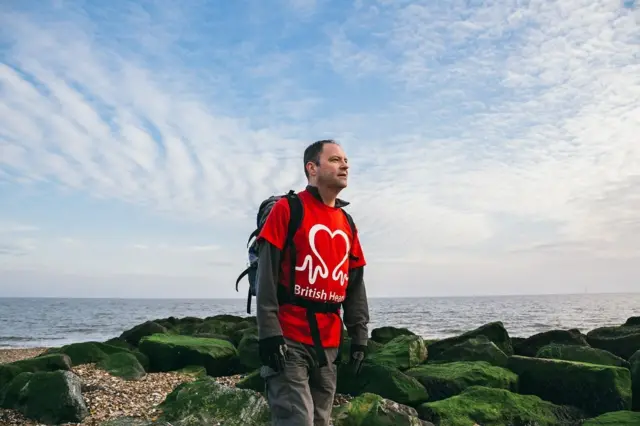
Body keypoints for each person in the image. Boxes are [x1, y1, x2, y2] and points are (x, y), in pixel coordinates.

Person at [255, 139, 370, 426]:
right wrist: (269, 332)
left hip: (329, 344)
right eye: (335, 159)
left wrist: (359, 336)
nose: (345, 164)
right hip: (289, 337)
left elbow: (354, 284)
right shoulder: (288, 209)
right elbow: (266, 274)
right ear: (312, 168)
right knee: (296, 420)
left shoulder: (347, 223)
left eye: (346, 160)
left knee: (321, 420)